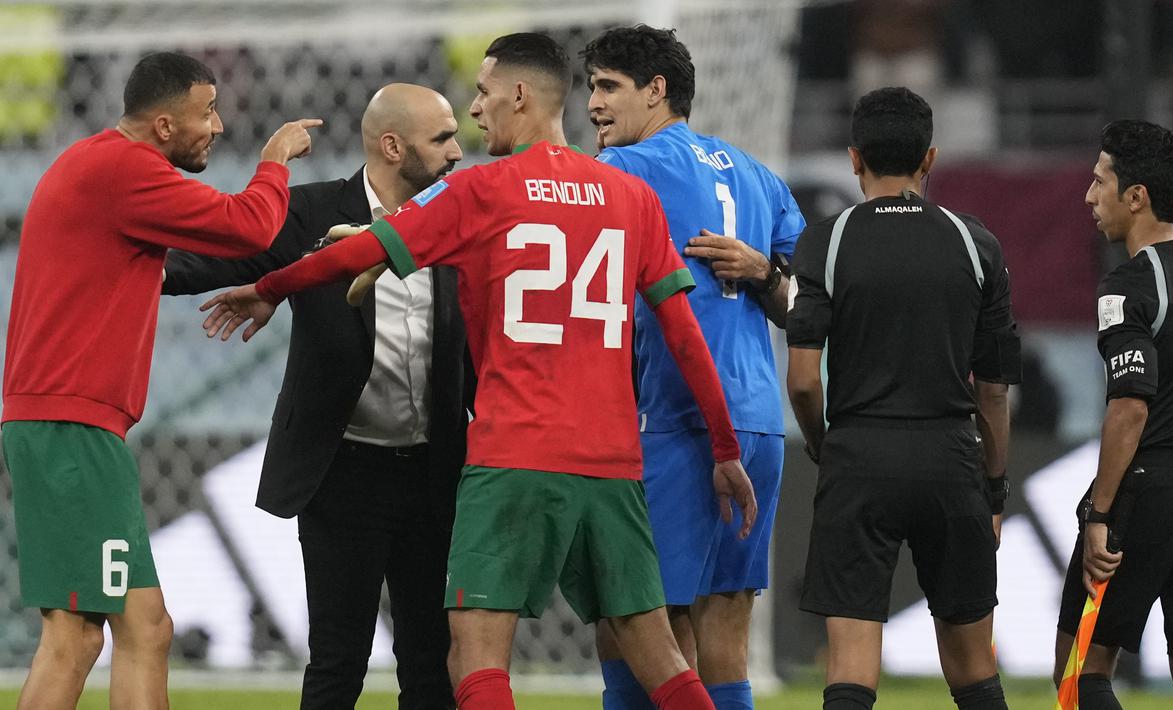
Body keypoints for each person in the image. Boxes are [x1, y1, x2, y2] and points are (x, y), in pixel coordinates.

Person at [195, 33, 756, 710]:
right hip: (610, 466)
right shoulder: (627, 194)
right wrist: (724, 449)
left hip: (512, 456)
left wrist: (272, 288)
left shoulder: (481, 189)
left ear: (520, 96)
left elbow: (355, 252)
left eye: (484, 93)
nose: (475, 110)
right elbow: (685, 338)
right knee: (659, 654)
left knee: (476, 655)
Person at [0, 52, 318, 710]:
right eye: (207, 112)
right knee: (75, 638)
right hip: (72, 429)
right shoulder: (127, 170)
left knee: (144, 629)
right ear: (165, 125)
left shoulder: (97, 165)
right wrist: (276, 159)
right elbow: (248, 224)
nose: (218, 126)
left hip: (70, 426)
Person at [162, 83, 466, 710]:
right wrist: (105, 254)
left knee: (432, 662)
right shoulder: (310, 211)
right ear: (392, 145)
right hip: (343, 470)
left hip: (435, 470)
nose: (459, 152)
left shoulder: (465, 221)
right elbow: (202, 262)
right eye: (442, 139)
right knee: (338, 658)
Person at [581, 25, 805, 710]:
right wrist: (766, 272)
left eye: (607, 87)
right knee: (724, 622)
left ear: (657, 91)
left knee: (643, 620)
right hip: (759, 424)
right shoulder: (759, 175)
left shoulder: (631, 168)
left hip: (679, 419)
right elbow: (806, 307)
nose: (591, 104)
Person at [785, 87, 1020, 710]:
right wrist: (994, 488)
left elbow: (804, 380)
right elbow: (993, 390)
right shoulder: (977, 244)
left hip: (859, 454)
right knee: (974, 669)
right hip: (951, 456)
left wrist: (823, 445)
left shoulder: (826, 242)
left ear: (854, 157)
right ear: (931, 158)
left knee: (851, 667)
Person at [1052, 120, 1173, 710]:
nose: (1088, 196)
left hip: (1152, 490)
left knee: (1081, 669)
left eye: (1099, 181)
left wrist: (1101, 511)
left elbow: (1130, 406)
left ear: (1137, 196)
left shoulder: (1130, 283)